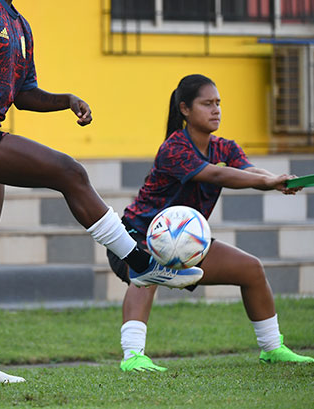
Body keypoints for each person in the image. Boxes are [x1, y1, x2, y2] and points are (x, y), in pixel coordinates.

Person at [0, 0, 203, 385]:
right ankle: (139, 262)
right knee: (68, 171)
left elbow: (23, 93)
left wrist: (65, 100)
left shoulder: (19, 24)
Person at [108, 74, 314, 373]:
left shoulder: (225, 148)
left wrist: (272, 179)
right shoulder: (174, 148)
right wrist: (270, 182)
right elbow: (218, 175)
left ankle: (272, 349)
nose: (216, 109)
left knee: (251, 269)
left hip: (187, 241)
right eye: (207, 104)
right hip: (134, 239)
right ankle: (133, 357)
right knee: (148, 271)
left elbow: (247, 169)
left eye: (218, 103)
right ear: (185, 109)